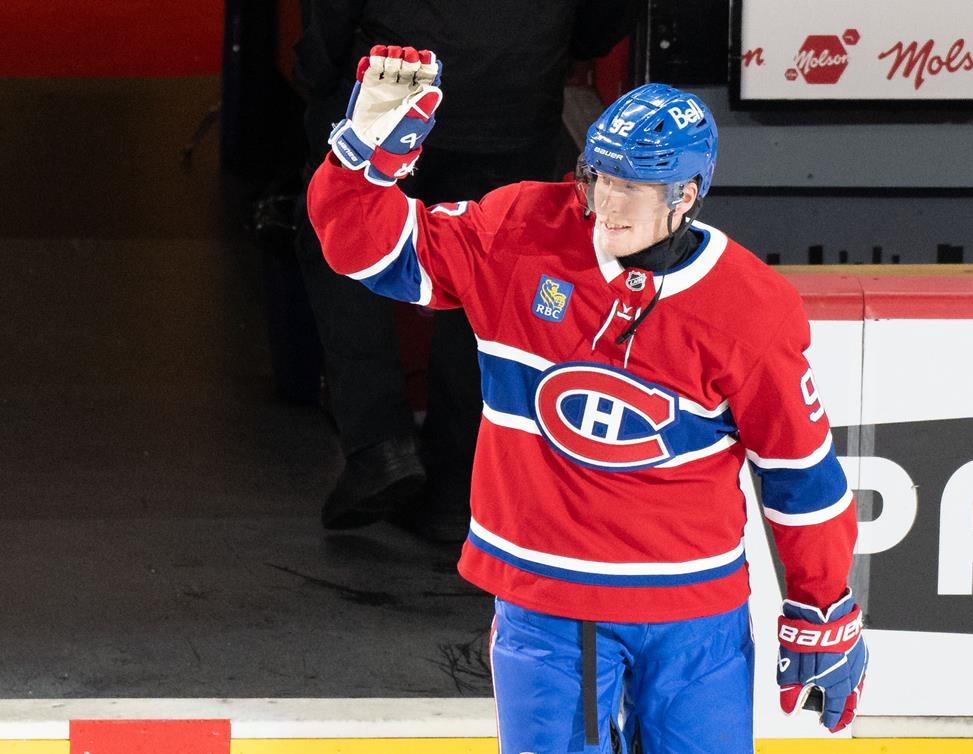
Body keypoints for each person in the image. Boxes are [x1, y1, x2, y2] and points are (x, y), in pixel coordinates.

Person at [307, 47, 868, 753]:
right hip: (549, 607)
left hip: (693, 614)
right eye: (597, 177)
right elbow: (366, 251)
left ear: (687, 194)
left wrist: (822, 602)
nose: (606, 201)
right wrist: (364, 162)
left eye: (633, 186)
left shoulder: (750, 307)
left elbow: (800, 474)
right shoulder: (518, 235)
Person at [292, 1, 635, 541]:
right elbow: (602, 25)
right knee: (489, 270)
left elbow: (330, 19)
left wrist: (315, 77)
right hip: (517, 97)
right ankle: (456, 486)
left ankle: (379, 445)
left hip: (399, 84)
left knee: (331, 225)